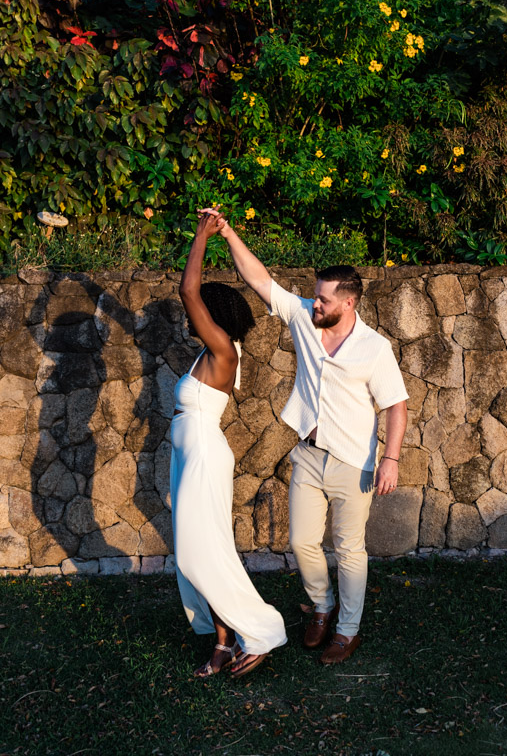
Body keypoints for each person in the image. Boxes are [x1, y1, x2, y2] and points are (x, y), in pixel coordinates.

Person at [203, 208, 408, 666]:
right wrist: (227, 231)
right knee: (301, 542)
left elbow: (396, 404)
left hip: (354, 461)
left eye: (324, 301)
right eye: (314, 297)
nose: (314, 304)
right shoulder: (304, 322)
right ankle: (322, 605)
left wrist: (390, 459)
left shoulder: (375, 348)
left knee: (350, 549)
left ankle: (347, 630)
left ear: (348, 303)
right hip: (309, 454)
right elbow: (260, 279)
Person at [170, 212, 288, 679]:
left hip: (202, 454)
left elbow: (188, 291)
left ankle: (261, 631)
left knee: (199, 553)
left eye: (199, 311)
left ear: (213, 316)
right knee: (202, 549)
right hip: (190, 454)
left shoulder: (222, 349)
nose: (189, 315)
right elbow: (191, 298)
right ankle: (223, 642)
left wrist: (202, 233)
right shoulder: (209, 352)